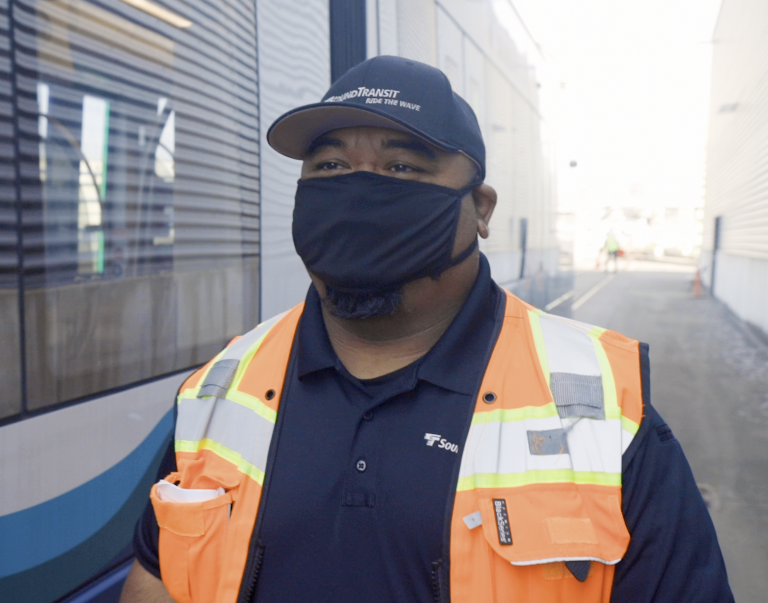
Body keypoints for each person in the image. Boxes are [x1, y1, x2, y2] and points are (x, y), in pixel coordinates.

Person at [119, 56, 733, 603]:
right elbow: (158, 573)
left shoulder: (603, 408)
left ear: (481, 208)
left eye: (402, 167)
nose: (358, 188)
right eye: (330, 165)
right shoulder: (218, 388)